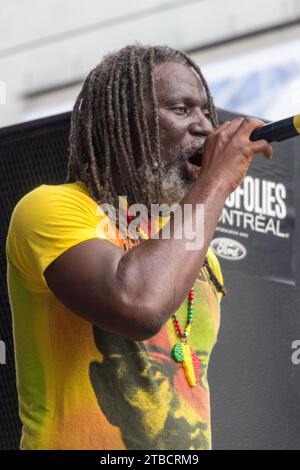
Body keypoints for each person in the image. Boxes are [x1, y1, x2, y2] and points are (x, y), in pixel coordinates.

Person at [6, 45, 272, 450]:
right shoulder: (52, 208)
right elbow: (138, 304)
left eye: (205, 111)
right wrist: (216, 181)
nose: (205, 127)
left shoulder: (194, 249)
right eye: (182, 109)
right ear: (125, 122)